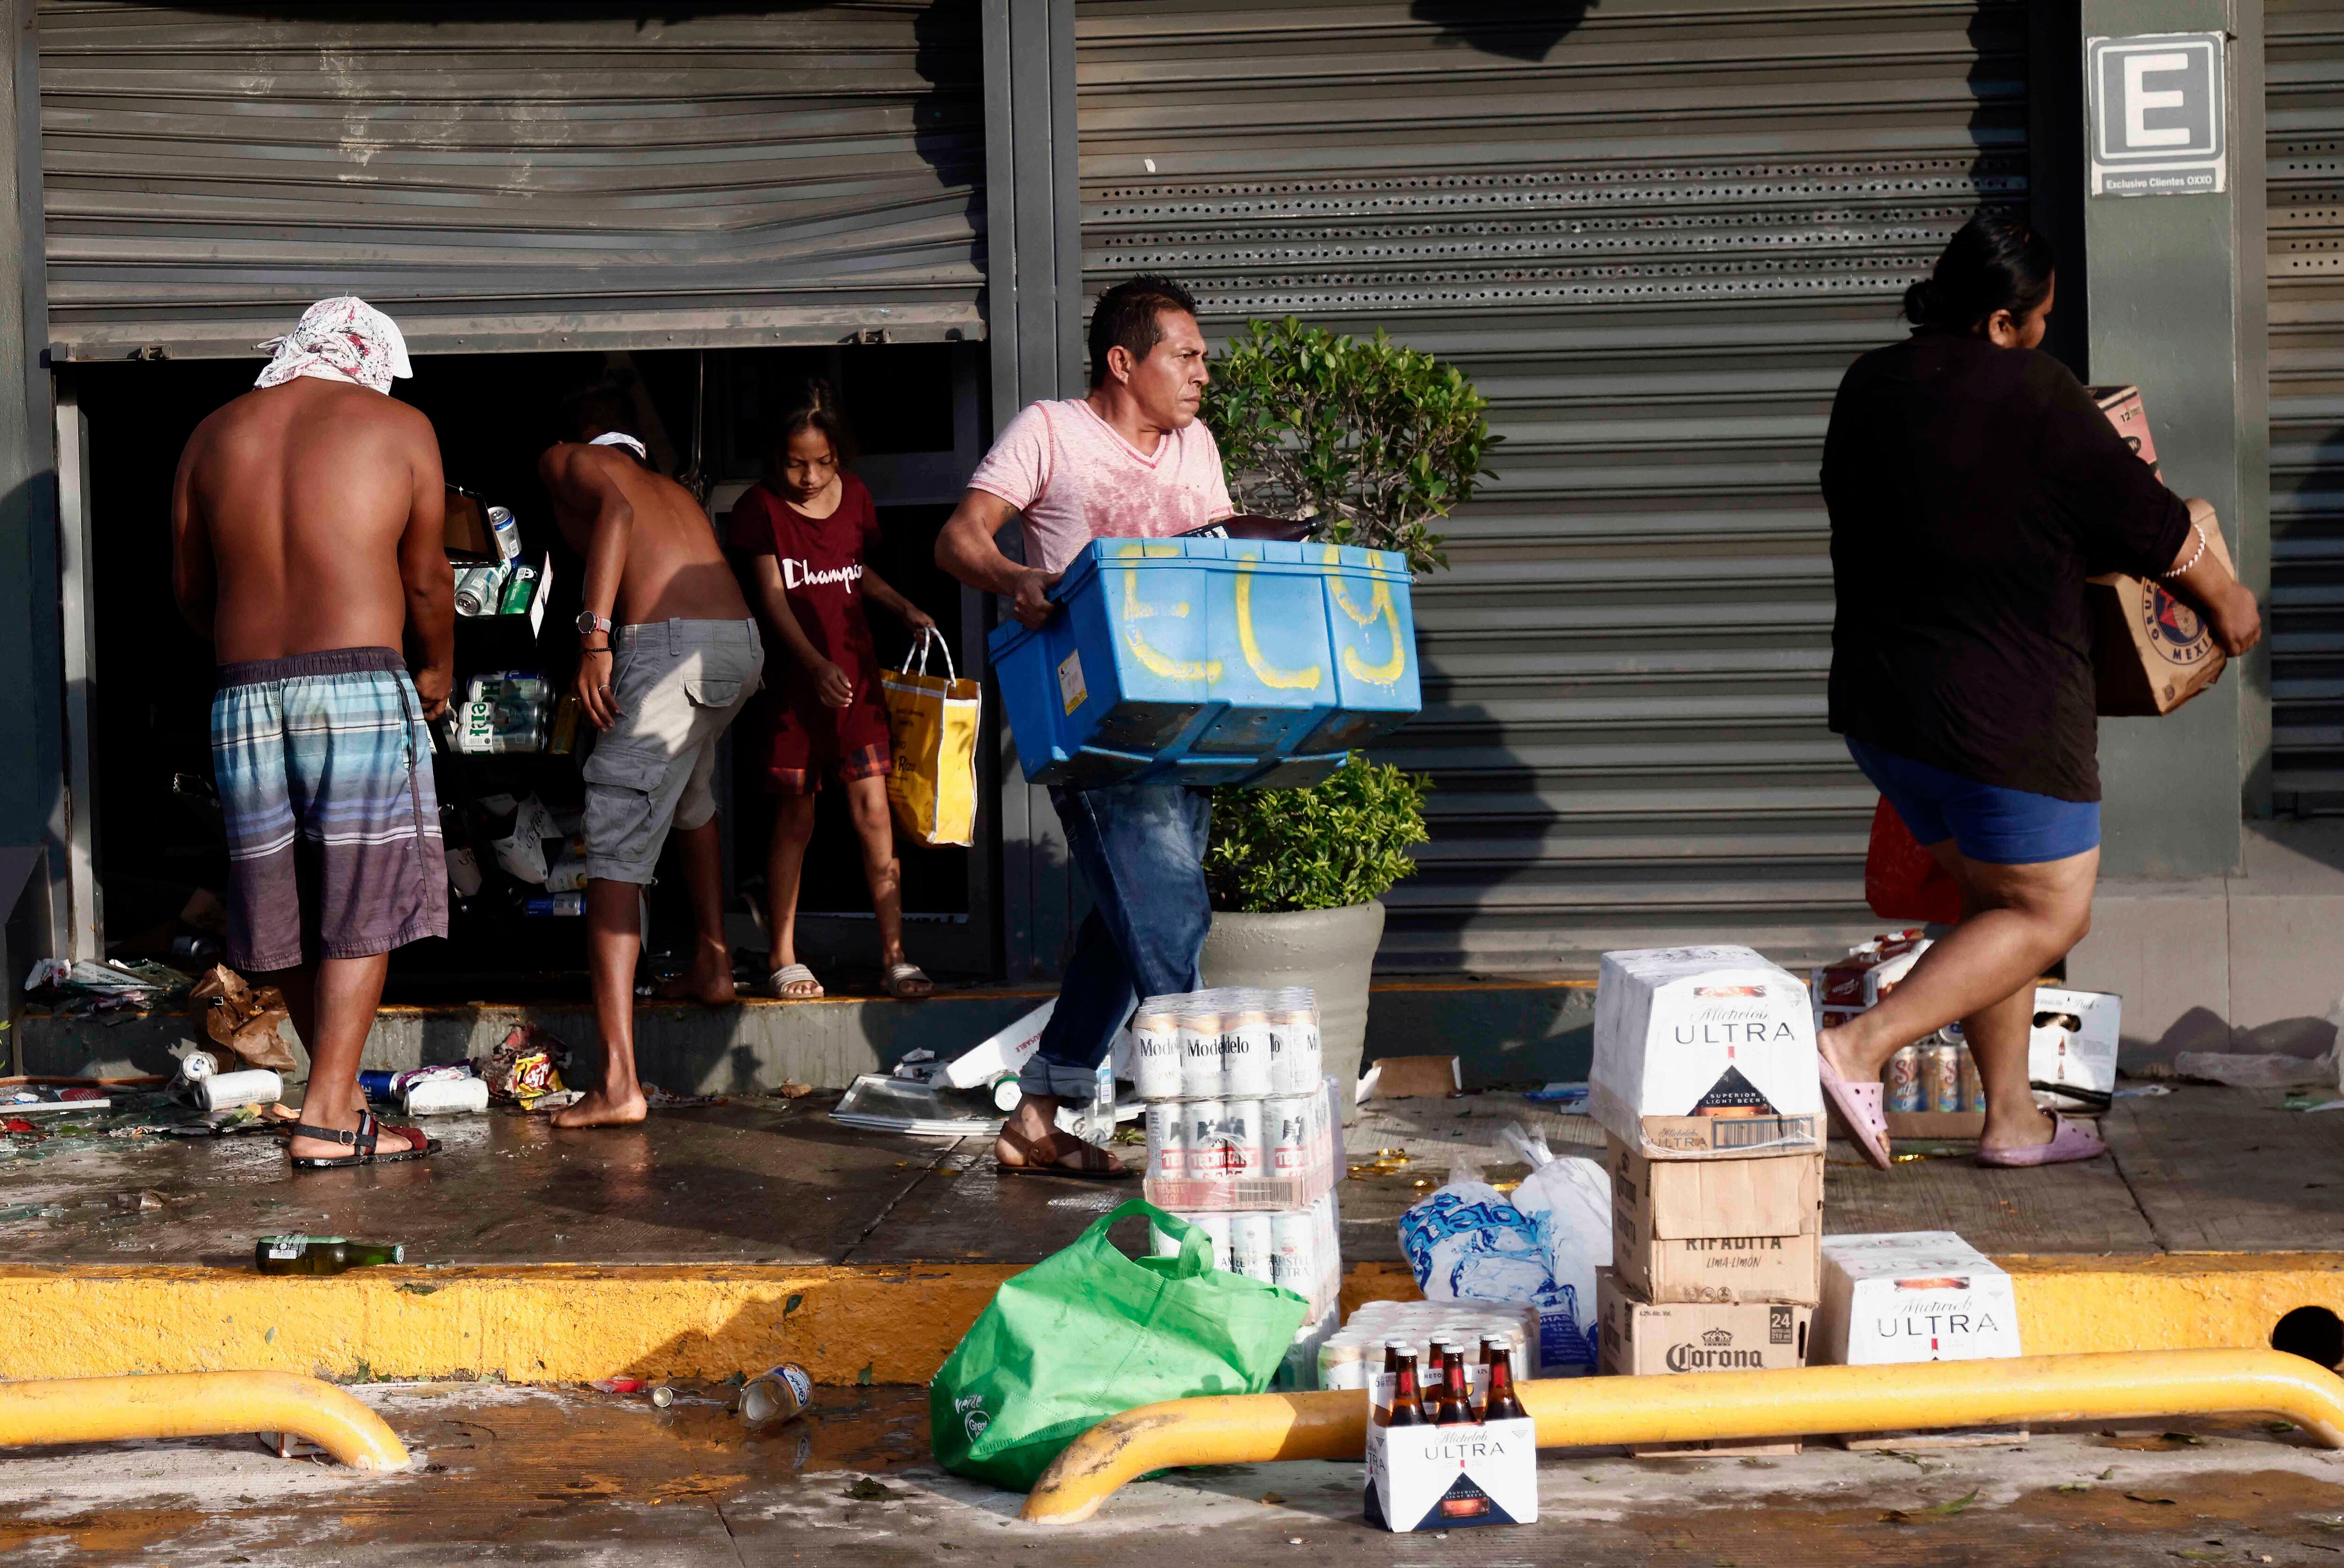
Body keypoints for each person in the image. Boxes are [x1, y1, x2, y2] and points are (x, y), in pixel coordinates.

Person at [1817, 212, 2263, 1171]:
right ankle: (1857, 1047)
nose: (2045, 335)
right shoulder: (2034, 394)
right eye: (2040, 318)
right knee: (2050, 912)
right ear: (2001, 320)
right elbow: (2144, 518)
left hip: (1882, 709)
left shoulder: (1868, 385)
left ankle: (2012, 1117)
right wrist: (2224, 593)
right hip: (2001, 718)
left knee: (1990, 902)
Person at [935, 274, 1233, 1178]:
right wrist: (1014, 579)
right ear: (1123, 360)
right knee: (1171, 914)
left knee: (1125, 917)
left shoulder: (1197, 447)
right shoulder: (1053, 431)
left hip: (1186, 721)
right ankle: (1206, 1122)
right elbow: (960, 537)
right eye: (1184, 356)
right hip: (1096, 724)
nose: (1201, 375)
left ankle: (1039, 1115)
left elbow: (1218, 567)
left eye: (1201, 359)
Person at [171, 295, 452, 1170]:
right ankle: (329, 1115)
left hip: (243, 694)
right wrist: (438, 665)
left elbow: (190, 588)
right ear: (368, 359)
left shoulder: (212, 434)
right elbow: (426, 580)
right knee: (361, 897)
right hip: (360, 680)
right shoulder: (401, 427)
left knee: (283, 905)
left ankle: (336, 1100)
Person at [541, 384, 764, 1129]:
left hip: (665, 646)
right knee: (690, 800)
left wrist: (594, 638)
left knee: (612, 844)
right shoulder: (672, 487)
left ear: (583, 433)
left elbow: (614, 515)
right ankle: (713, 962)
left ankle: (617, 1082)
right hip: (736, 646)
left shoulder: (570, 460)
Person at [730, 379, 937, 1001]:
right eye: (796, 463)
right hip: (796, 688)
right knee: (796, 816)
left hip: (857, 683)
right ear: (776, 458)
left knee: (876, 814)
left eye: (822, 463)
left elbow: (853, 565)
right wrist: (814, 664)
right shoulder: (761, 510)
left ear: (840, 457)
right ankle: (784, 956)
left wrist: (902, 606)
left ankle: (896, 956)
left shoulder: (858, 500)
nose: (810, 476)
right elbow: (770, 596)